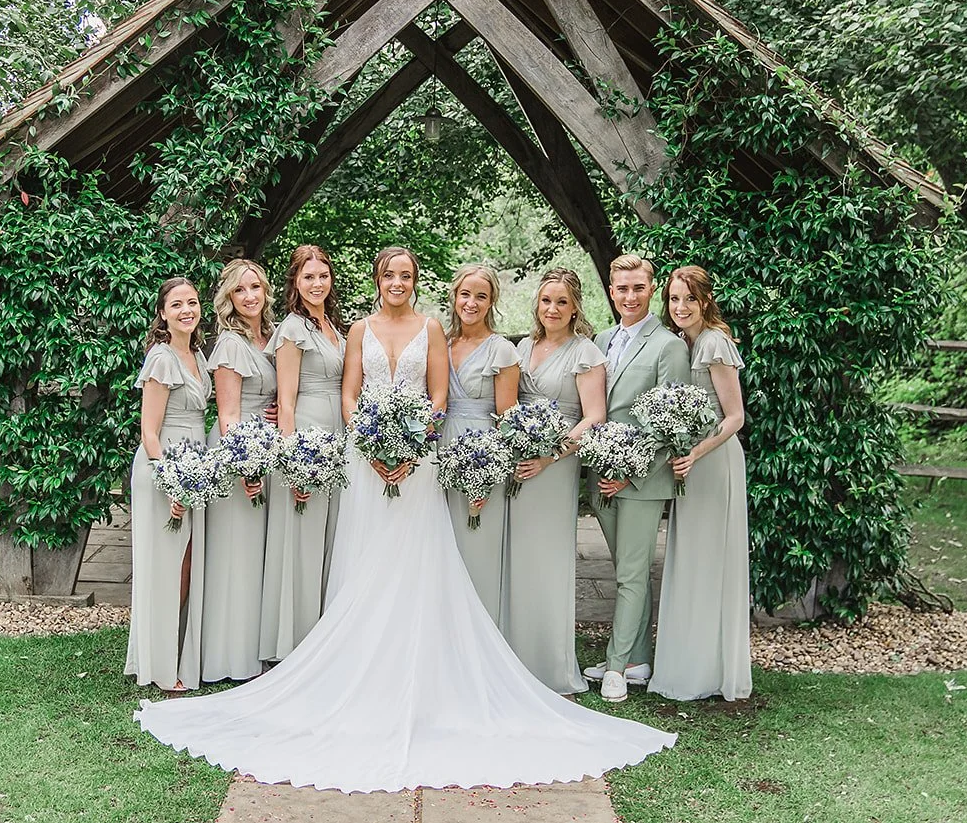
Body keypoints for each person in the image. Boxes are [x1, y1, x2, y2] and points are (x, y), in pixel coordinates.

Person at [134, 247, 675, 793]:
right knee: (362, 558)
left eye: (407, 275)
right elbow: (349, 395)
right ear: (378, 280)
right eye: (390, 275)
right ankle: (353, 664)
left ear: (416, 282)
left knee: (418, 564)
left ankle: (424, 665)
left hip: (419, 463)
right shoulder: (358, 329)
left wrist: (414, 444)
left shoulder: (431, 328)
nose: (398, 282)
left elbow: (438, 397)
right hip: (364, 462)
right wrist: (371, 444)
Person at [585, 254, 689, 703]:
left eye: (638, 288)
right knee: (627, 570)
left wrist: (630, 473)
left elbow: (673, 420)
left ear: (651, 290)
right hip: (600, 473)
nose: (630, 296)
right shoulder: (600, 340)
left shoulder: (668, 346)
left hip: (642, 480)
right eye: (622, 289)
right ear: (612, 292)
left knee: (630, 573)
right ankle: (638, 660)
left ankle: (614, 666)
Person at [648, 265, 752, 701]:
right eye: (674, 298)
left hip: (713, 462)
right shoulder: (681, 342)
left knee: (710, 559)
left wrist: (697, 452)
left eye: (689, 298)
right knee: (690, 557)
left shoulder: (713, 342)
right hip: (689, 461)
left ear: (705, 300)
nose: (681, 306)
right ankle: (688, 662)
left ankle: (710, 670)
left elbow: (735, 417)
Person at [507, 269, 605, 694]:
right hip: (518, 461)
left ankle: (547, 662)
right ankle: (512, 654)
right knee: (517, 556)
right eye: (547, 300)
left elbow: (593, 416)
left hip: (555, 464)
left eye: (562, 302)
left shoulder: (585, 352)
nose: (553, 309)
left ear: (575, 307)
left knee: (547, 557)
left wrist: (550, 455)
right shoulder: (523, 346)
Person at [259, 244, 345, 662]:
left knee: (330, 538)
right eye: (308, 277)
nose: (317, 283)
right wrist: (294, 464)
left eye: (323, 276)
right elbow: (286, 402)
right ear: (295, 281)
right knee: (302, 539)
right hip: (308, 437)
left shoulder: (332, 326)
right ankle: (293, 641)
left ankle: (324, 634)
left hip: (339, 437)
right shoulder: (293, 329)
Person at [123, 277, 209, 692]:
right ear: (162, 313)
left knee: (185, 563)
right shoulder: (160, 359)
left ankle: (173, 651)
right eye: (176, 305)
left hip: (192, 463)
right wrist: (172, 482)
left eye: (192, 302)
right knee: (164, 566)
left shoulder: (197, 355)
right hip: (164, 467)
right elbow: (149, 432)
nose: (186, 310)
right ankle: (159, 667)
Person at [202, 259, 277, 683]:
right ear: (228, 298)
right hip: (238, 451)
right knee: (236, 551)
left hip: (265, 448)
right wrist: (246, 465)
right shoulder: (230, 345)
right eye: (240, 290)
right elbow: (228, 414)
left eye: (255, 287)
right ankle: (230, 657)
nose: (249, 296)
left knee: (255, 554)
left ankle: (254, 647)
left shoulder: (270, 335)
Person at [441, 263, 520, 625]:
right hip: (440, 450)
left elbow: (507, 418)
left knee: (477, 545)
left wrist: (487, 474)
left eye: (481, 296)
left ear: (491, 302)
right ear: (454, 297)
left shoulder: (501, 351)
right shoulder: (441, 343)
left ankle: (480, 634)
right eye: (465, 294)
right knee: (443, 546)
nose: (471, 303)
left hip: (481, 454)